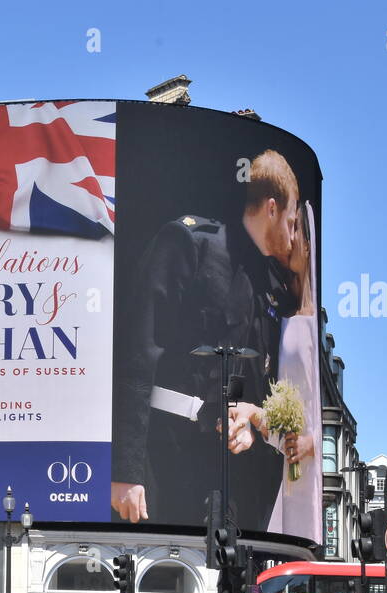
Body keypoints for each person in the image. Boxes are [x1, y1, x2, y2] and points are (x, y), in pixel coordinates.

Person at [111, 150, 302, 534]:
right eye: (291, 220)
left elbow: (254, 378)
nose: (293, 233)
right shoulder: (187, 240)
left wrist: (249, 424)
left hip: (228, 471)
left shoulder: (269, 282)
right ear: (271, 208)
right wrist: (125, 470)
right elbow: (136, 351)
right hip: (164, 455)